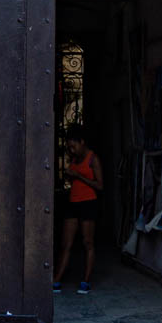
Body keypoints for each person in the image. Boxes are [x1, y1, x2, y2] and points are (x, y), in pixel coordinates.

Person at [53, 126, 103, 295]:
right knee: (65, 243)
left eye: (73, 146)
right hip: (73, 203)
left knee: (87, 243)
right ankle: (57, 280)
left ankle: (86, 281)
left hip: (89, 203)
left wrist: (79, 176)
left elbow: (100, 185)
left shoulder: (92, 159)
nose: (71, 149)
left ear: (82, 142)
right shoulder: (74, 159)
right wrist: (69, 176)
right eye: (69, 147)